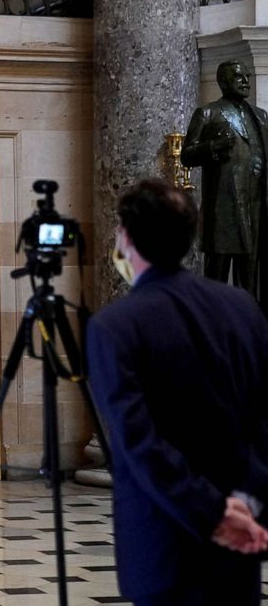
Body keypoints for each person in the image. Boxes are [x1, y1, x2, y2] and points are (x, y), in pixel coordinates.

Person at [87, 178, 268, 605]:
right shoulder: (243, 307)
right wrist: (243, 502)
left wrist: (213, 514)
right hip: (240, 539)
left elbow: (140, 442)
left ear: (126, 238)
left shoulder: (115, 326)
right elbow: (263, 421)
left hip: (164, 544)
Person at [181, 60, 268, 305]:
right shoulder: (208, 113)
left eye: (247, 77)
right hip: (224, 204)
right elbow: (187, 155)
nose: (245, 81)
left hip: (255, 205)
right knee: (217, 273)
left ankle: (248, 324)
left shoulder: (260, 116)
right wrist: (213, 147)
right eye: (239, 77)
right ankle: (213, 324)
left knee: (250, 275)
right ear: (222, 82)